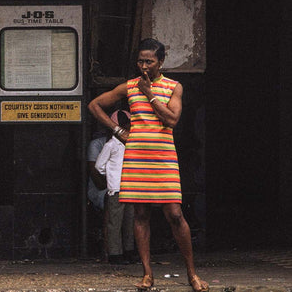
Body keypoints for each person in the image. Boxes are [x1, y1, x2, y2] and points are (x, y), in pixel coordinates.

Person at [87, 39, 208, 292]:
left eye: (149, 61)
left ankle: (192, 274)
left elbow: (172, 119)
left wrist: (149, 93)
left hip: (164, 158)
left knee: (175, 214)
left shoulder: (173, 87)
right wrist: (118, 130)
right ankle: (147, 274)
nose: (144, 66)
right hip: (137, 157)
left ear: (160, 62)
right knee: (141, 215)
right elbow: (94, 105)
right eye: (141, 61)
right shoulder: (130, 87)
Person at [94, 110, 135, 265]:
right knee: (115, 222)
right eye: (125, 126)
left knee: (129, 221)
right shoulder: (111, 145)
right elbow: (99, 166)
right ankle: (115, 254)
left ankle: (128, 251)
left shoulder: (130, 144)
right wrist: (111, 176)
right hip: (117, 189)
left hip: (130, 188)